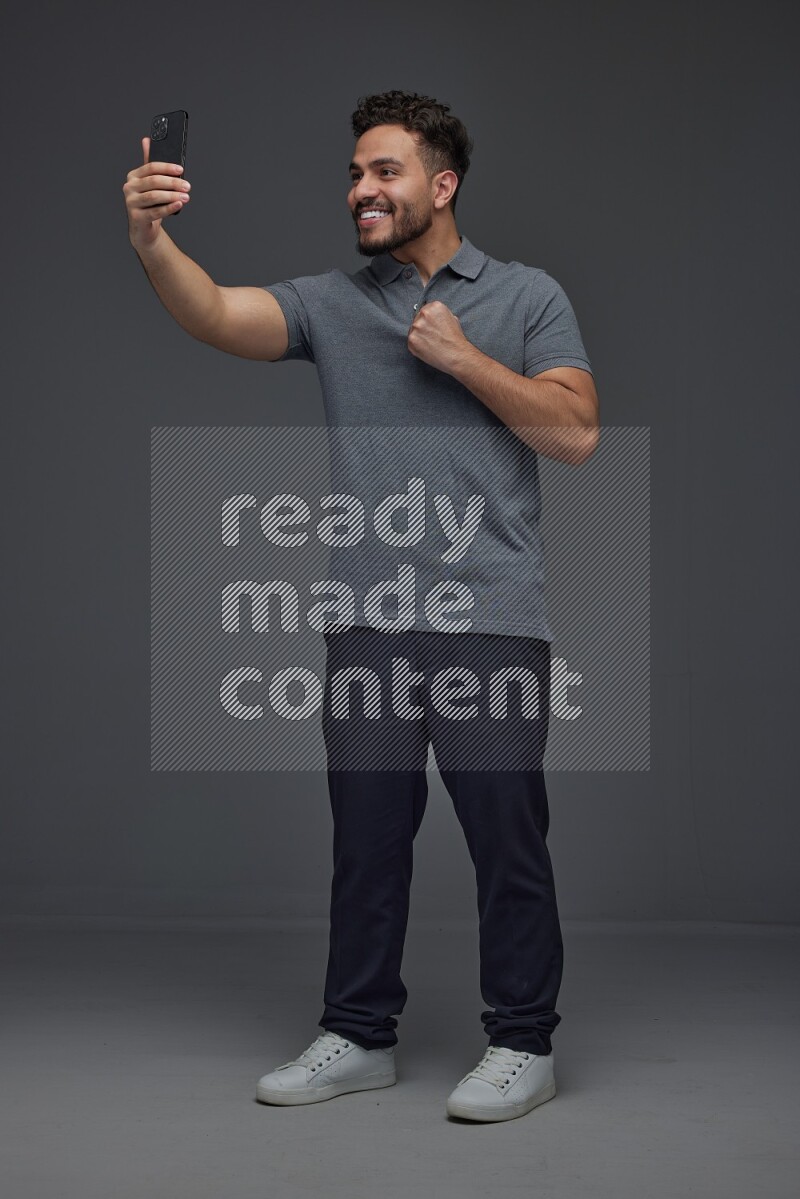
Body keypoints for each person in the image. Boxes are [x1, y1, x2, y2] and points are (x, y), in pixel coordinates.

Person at [123, 90, 599, 1123]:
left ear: (441, 184)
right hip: (368, 621)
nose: (360, 190)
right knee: (366, 841)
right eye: (352, 173)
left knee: (506, 838)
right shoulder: (334, 305)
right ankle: (358, 1033)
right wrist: (152, 239)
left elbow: (574, 432)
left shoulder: (524, 297)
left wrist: (463, 358)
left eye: (382, 171)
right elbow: (215, 312)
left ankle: (522, 1041)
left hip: (490, 623)